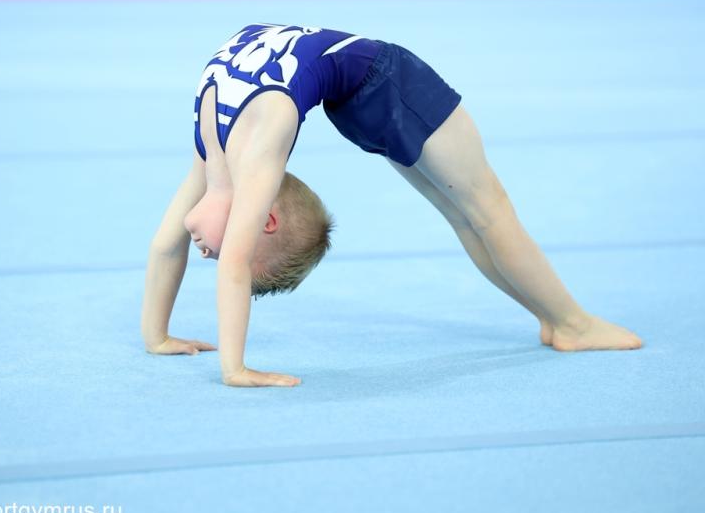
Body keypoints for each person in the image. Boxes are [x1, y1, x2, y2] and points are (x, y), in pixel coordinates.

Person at [140, 23, 642, 388]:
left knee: (482, 212)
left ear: (264, 220)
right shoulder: (222, 159)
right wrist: (157, 337)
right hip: (365, 93)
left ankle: (566, 322)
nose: (208, 254)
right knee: (476, 214)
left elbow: (214, 259)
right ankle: (566, 324)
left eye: (226, 252)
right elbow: (170, 247)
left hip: (384, 83)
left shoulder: (241, 155)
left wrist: (234, 369)